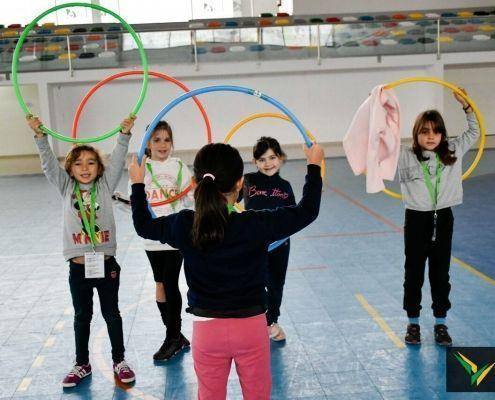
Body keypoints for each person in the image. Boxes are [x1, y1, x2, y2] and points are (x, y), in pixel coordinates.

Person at [129, 141, 323, 400]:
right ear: (240, 184)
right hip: (251, 329)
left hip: (207, 332)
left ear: (195, 184)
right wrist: (313, 166)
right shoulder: (255, 224)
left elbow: (144, 225)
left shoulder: (184, 225)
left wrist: (137, 183)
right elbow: (307, 210)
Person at [27, 115, 136, 387]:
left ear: (100, 168)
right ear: (70, 169)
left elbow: (119, 158)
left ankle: (119, 360)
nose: (85, 168)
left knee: (112, 314)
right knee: (82, 316)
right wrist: (40, 136)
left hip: (106, 264)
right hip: (78, 266)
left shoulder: (104, 185)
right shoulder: (66, 188)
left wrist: (124, 134)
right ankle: (82, 363)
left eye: (91, 163)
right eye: (78, 163)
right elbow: (48, 165)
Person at [399, 90, 480, 346]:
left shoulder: (453, 151)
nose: (430, 136)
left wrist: (467, 106)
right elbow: (379, 149)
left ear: (443, 134)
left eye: (435, 131)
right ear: (416, 135)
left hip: (443, 218)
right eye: (424, 131)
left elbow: (475, 132)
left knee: (440, 274)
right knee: (413, 274)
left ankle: (440, 323)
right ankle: (413, 323)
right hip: (415, 219)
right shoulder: (405, 156)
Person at [133, 121, 193, 360]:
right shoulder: (141, 168)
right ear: (147, 143)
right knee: (159, 284)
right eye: (156, 140)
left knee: (170, 283)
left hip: (174, 235)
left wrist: (191, 196)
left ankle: (172, 336)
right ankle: (175, 334)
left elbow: (188, 198)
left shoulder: (178, 166)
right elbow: (136, 199)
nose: (162, 145)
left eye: (166, 139)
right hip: (152, 237)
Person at [240, 137, 295, 341]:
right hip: (255, 243)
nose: (268, 163)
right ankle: (253, 321)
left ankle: (271, 321)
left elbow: (293, 216)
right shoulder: (248, 181)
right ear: (255, 162)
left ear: (280, 158)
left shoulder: (286, 186)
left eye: (272, 157)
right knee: (254, 282)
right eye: (262, 159)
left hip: (280, 244)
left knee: (276, 283)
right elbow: (227, 199)